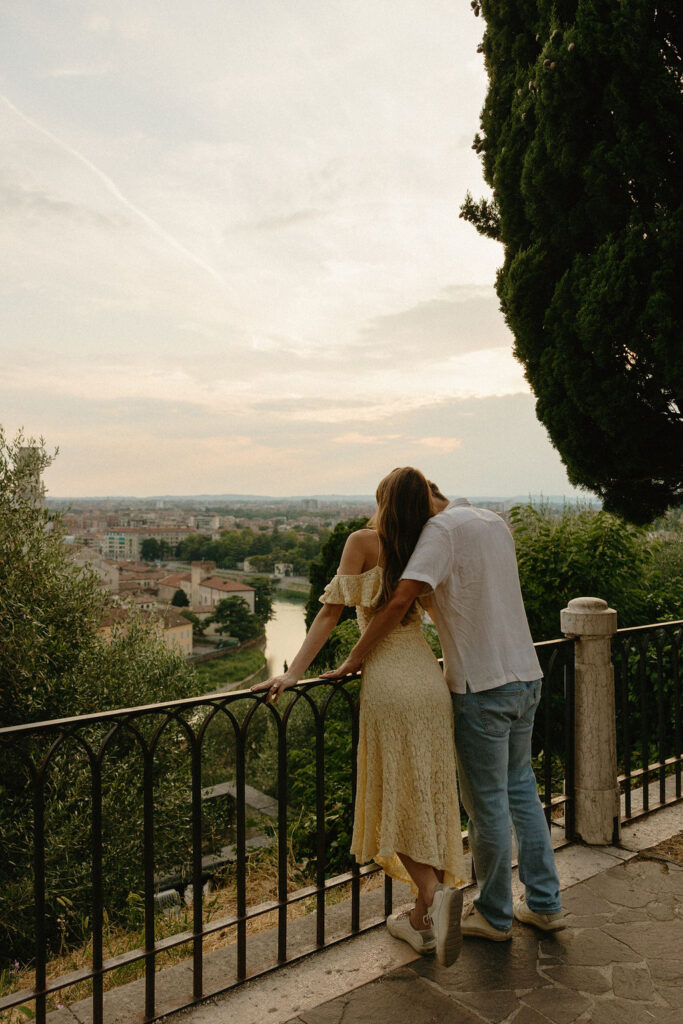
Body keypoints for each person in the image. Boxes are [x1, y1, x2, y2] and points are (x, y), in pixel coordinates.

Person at [323, 484, 566, 940]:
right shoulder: (495, 522)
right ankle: (545, 904)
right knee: (522, 793)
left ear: (425, 499)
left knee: (487, 803)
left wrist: (354, 658)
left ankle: (494, 915)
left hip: (481, 684)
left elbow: (399, 600)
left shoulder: (440, 531)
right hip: (526, 675)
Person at [252, 467, 465, 966]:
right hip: (428, 680)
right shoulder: (428, 546)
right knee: (426, 786)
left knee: (398, 787)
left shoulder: (363, 541)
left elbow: (329, 613)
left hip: (389, 680)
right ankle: (423, 916)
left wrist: (292, 674)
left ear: (383, 500)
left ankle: (433, 895)